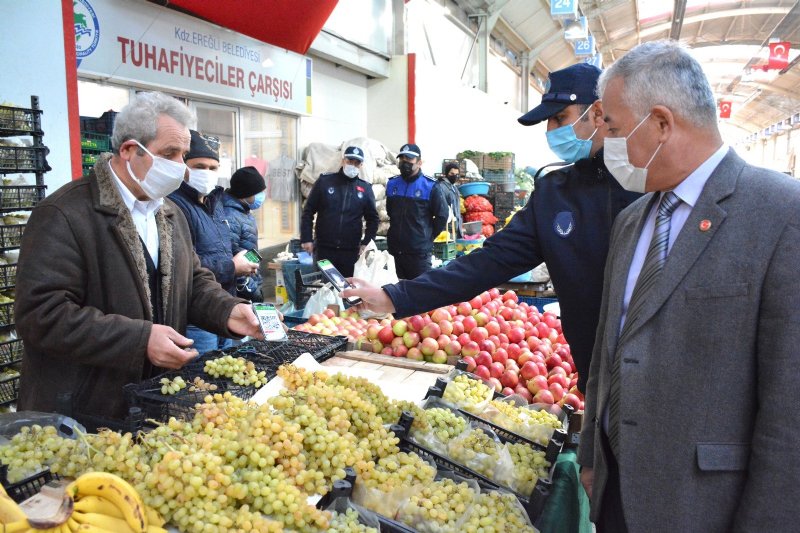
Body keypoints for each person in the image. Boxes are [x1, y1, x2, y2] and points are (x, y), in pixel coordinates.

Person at [575, 41, 800, 532]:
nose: (605, 144)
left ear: (659, 123)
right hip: (617, 494)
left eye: (612, 127)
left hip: (704, 506)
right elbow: (605, 350)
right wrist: (591, 455)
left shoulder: (782, 215)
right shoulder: (633, 220)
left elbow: (790, 407)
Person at [343, 64, 641, 393]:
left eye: (560, 117)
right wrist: (393, 296)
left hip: (652, 375)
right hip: (593, 377)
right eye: (548, 121)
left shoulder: (646, 183)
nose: (551, 130)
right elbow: (488, 262)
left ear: (597, 113)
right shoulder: (554, 193)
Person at [14, 92, 262, 426]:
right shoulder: (64, 214)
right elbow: (41, 316)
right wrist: (139, 340)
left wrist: (228, 310)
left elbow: (193, 282)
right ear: (130, 150)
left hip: (151, 402)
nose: (179, 166)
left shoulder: (169, 213)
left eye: (182, 154)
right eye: (168, 154)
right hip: (84, 411)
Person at [168, 130, 259, 353]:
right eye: (199, 166)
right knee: (202, 376)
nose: (207, 173)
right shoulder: (174, 205)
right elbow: (182, 265)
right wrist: (232, 267)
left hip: (225, 304)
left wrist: (243, 258)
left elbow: (220, 245)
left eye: (213, 168)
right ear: (184, 165)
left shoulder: (214, 202)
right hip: (197, 315)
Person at [300, 146, 379, 277]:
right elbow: (308, 211)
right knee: (324, 289)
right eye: (350, 161)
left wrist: (366, 243)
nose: (352, 165)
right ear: (343, 160)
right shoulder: (325, 182)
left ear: (361, 165)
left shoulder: (365, 188)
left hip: (350, 251)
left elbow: (373, 219)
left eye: (356, 163)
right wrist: (306, 238)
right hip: (324, 249)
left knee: (347, 290)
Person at [385, 143, 450, 279]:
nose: (405, 163)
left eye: (409, 159)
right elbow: (390, 211)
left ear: (419, 162)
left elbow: (441, 216)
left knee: (419, 293)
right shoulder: (392, 184)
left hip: (418, 253)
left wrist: (426, 236)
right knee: (394, 292)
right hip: (395, 251)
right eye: (402, 159)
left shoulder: (431, 186)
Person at [223, 166, 267, 302]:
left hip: (251, 280)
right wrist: (250, 288)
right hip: (241, 290)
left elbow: (248, 248)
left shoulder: (244, 212)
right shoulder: (231, 216)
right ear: (246, 193)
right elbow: (230, 255)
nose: (262, 196)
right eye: (259, 192)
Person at [436, 162, 462, 238]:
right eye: (452, 173)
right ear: (446, 173)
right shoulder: (441, 187)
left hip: (455, 226)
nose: (455, 176)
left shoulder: (454, 188)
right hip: (446, 228)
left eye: (457, 174)